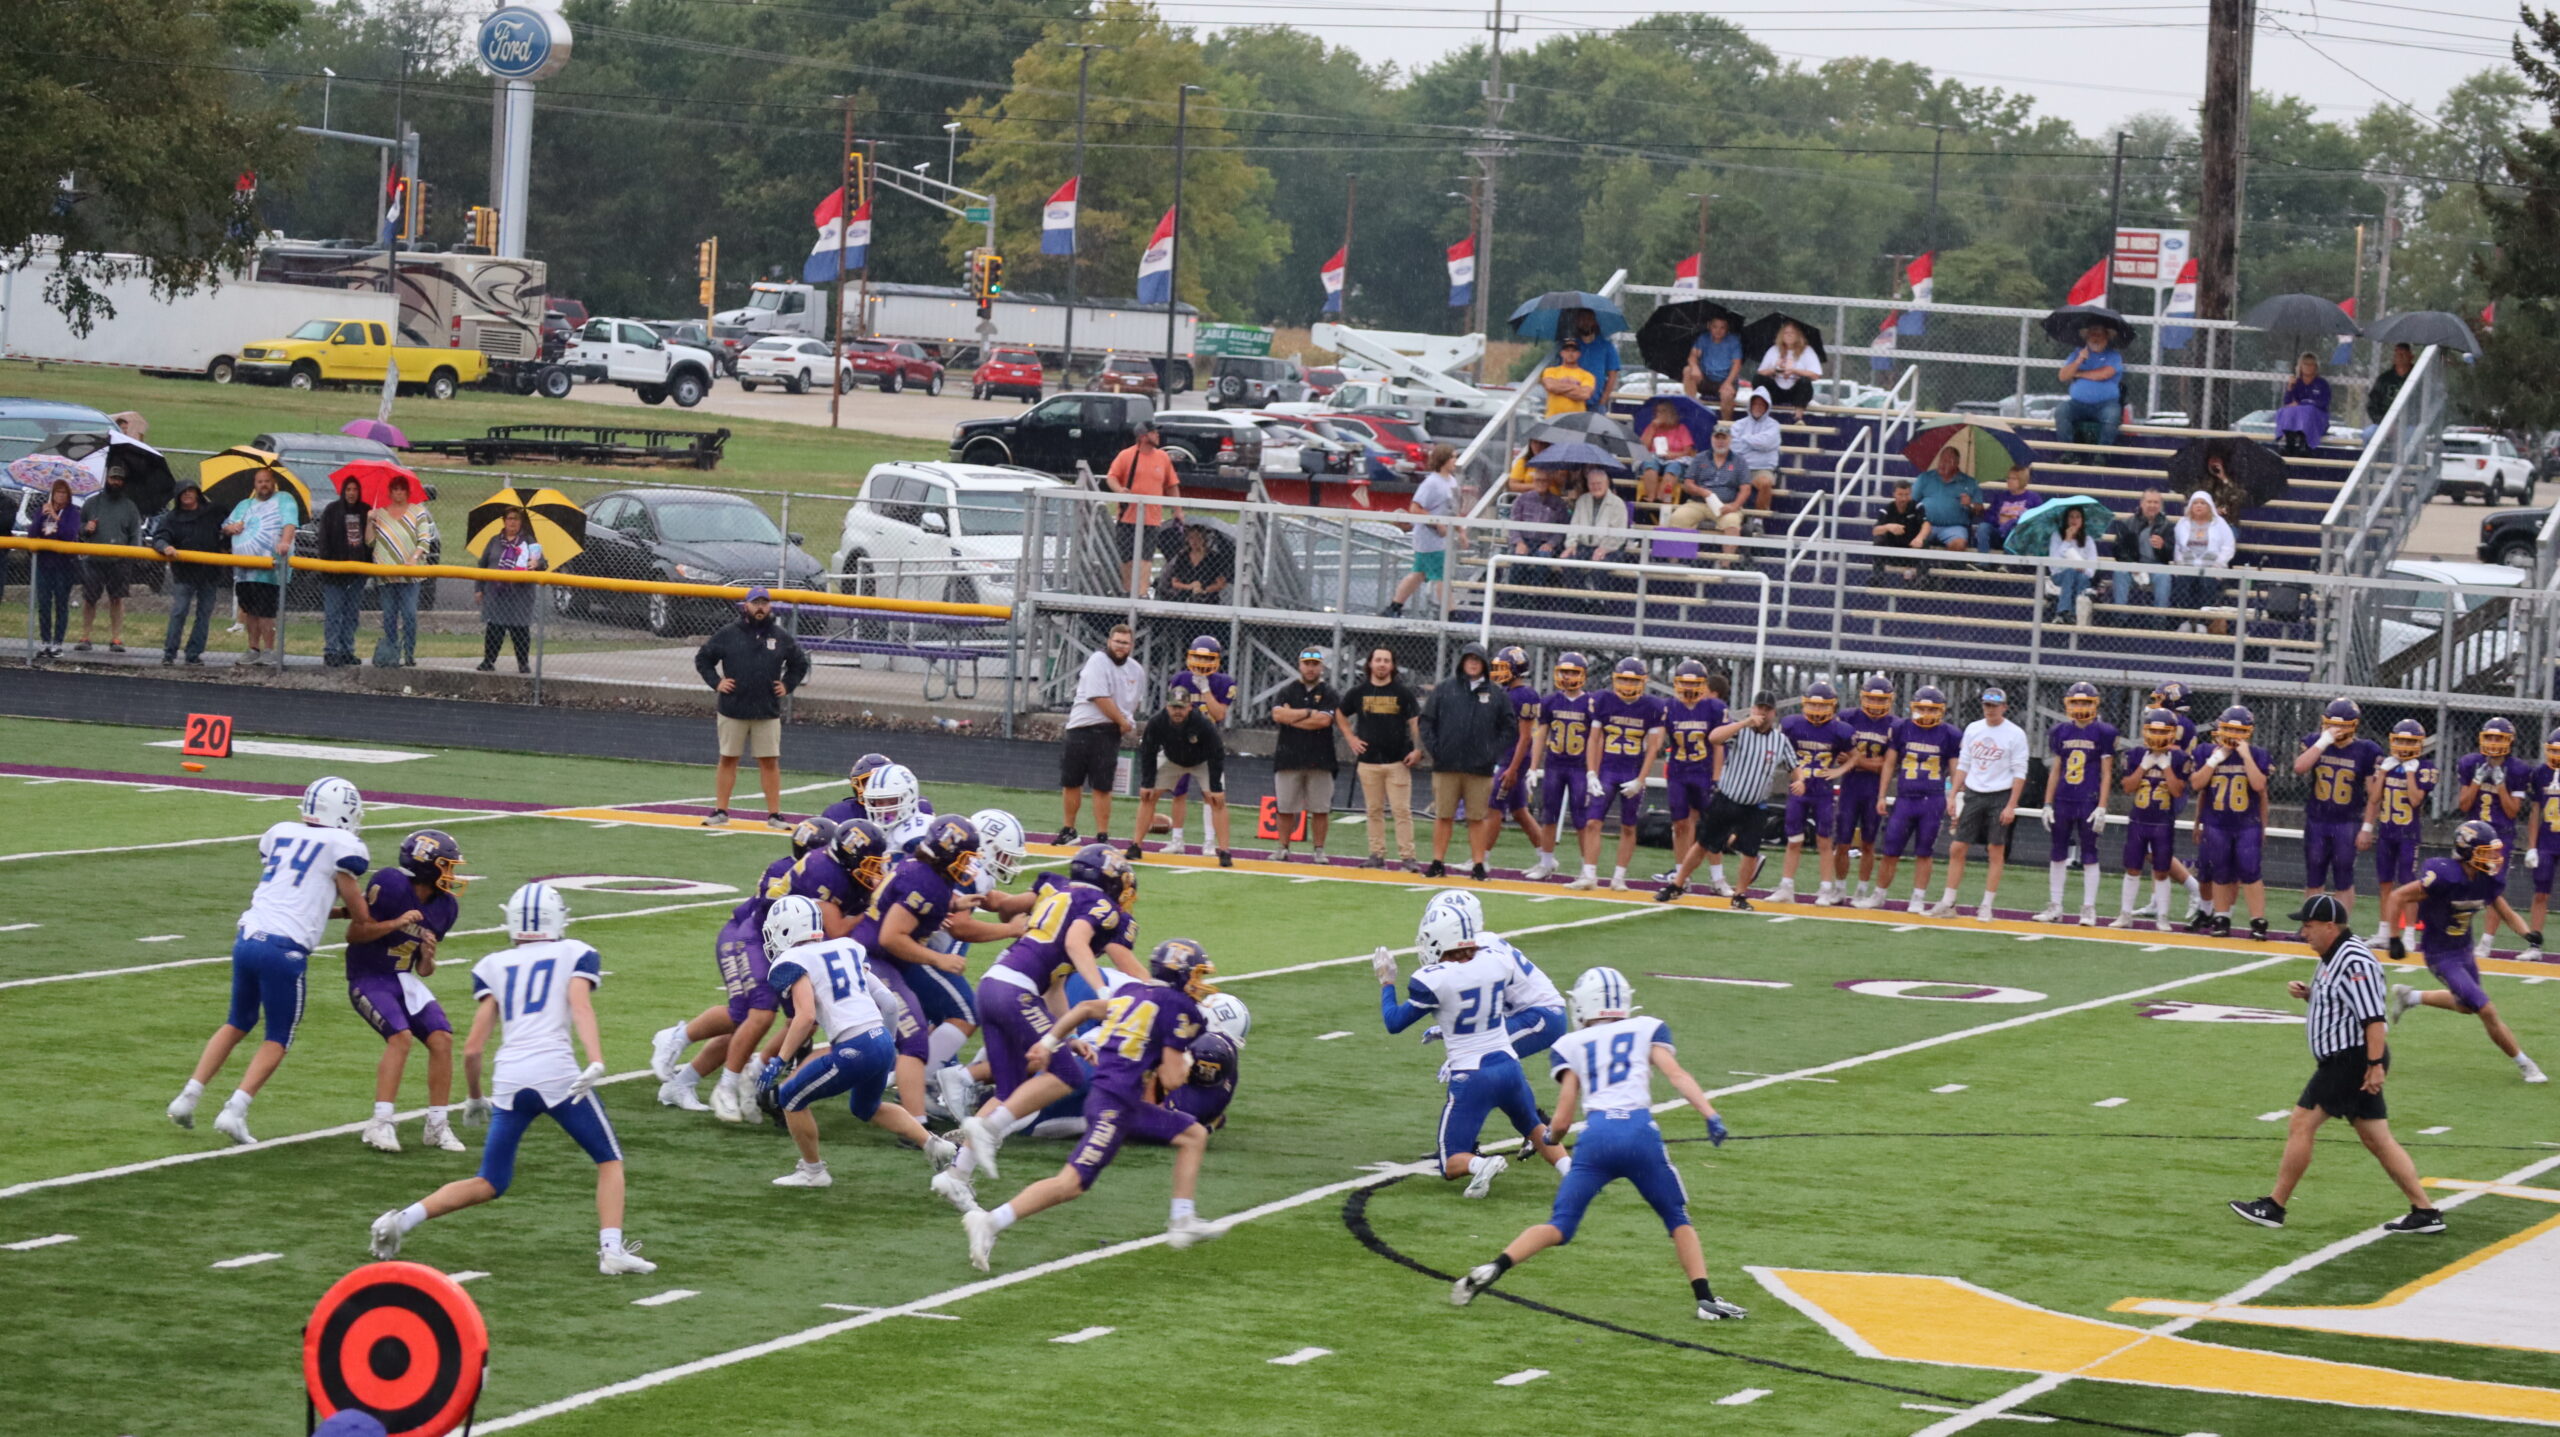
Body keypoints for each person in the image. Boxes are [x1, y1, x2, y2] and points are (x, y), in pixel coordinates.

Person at [366, 882, 658, 1276]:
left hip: (509, 1079)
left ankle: (401, 1220)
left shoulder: (496, 964)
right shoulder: (574, 952)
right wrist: (596, 1059)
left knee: (490, 1180)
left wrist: (474, 1096)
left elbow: (472, 1048)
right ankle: (611, 1250)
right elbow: (580, 1007)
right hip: (556, 1074)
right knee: (609, 1160)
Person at [1450, 966, 1747, 1322]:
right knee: (1677, 1218)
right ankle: (1704, 1298)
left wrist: (1551, 1138)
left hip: (1596, 1140)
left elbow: (1562, 1119)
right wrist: (1710, 1115)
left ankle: (1495, 1266)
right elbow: (1677, 1074)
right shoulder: (1646, 1027)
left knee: (1560, 1225)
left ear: (1584, 1005)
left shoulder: (1571, 1044)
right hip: (1639, 1135)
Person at [960, 938, 1230, 1270]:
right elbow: (1172, 1079)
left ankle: (1183, 1218)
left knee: (1193, 1135)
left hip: (1119, 1098)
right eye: (1197, 974)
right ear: (1182, 974)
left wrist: (1048, 1042)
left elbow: (1086, 1009)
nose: (1200, 982)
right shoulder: (1180, 1009)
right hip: (1113, 1104)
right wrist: (1184, 1061)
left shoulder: (1134, 991)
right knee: (1071, 1184)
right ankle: (989, 1221)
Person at [168, 778, 383, 1144]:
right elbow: (361, 916)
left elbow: (298, 899)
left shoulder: (281, 833)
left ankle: (187, 1097)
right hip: (285, 950)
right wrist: (376, 913)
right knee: (278, 1036)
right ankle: (235, 1111)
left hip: (248, 938)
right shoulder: (341, 846)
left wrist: (342, 911)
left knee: (237, 1021)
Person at [2226, 896, 2444, 1237]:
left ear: (2330, 926)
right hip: (2350, 1058)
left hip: (2350, 1059)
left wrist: (2374, 1064)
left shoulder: (2354, 959)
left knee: (2301, 1123)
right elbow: (2343, 1003)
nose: (2303, 933)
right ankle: (2425, 1210)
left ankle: (2274, 1205)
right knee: (2377, 1138)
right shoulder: (2334, 954)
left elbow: (2373, 1018)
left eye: (2308, 926)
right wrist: (2310, 995)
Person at [937, 846, 1141, 1209]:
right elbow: (1075, 942)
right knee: (1066, 1075)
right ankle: (980, 1117)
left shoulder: (1057, 892)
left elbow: (1055, 987)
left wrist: (1072, 1036)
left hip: (994, 986)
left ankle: (956, 1175)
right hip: (1015, 991)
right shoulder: (1100, 906)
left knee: (1010, 1092)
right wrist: (1104, 991)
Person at [650, 815, 850, 1113]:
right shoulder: (786, 871)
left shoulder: (833, 878)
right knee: (751, 1015)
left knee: (796, 1022)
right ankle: (679, 1039)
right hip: (749, 938)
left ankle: (687, 1082)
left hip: (785, 948)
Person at [760, 895, 960, 1191]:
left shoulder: (793, 961)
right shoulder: (847, 947)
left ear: (788, 929)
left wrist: (780, 1059)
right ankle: (933, 1144)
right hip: (880, 1039)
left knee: (790, 1097)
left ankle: (813, 1171)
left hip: (854, 1047)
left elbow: (805, 1017)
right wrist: (886, 1045)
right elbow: (888, 1003)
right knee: (866, 1107)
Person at [1374, 909, 1569, 1197]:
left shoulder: (1432, 979)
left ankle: (1480, 1165)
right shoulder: (1496, 961)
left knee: (1450, 1162)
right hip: (1509, 1067)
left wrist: (1387, 982)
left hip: (1472, 1075)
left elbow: (1394, 1022)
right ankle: (1570, 1170)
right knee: (1534, 1127)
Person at [2384, 820, 2546, 1084]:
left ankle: (2410, 996)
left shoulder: (2485, 880)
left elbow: (2505, 912)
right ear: (2468, 851)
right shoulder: (2444, 875)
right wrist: (2394, 937)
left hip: (2464, 950)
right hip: (2441, 955)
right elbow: (2397, 897)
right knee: (2486, 1010)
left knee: (2466, 1006)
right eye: (2486, 852)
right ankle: (2526, 1064)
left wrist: (2528, 934)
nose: (2493, 858)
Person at [347, 830, 471, 1155]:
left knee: (442, 1038)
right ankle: (380, 1122)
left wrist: (428, 957)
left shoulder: (445, 906)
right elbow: (355, 933)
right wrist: (395, 923)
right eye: (446, 865)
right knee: (400, 1037)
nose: (451, 873)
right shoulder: (391, 884)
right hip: (369, 976)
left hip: (402, 978)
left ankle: (437, 1125)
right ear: (426, 865)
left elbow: (423, 969)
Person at [1655, 691, 1796, 910]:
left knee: (1750, 852)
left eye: (1768, 709)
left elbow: (1794, 766)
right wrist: (1745, 722)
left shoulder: (1780, 741)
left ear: (1774, 713)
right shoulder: (1740, 731)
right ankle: (1677, 884)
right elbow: (1714, 738)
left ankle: (1739, 895)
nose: (1763, 713)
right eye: (1760, 708)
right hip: (1728, 798)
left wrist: (1800, 781)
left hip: (1756, 804)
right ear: (1753, 708)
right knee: (1704, 843)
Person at [691, 586, 809, 830]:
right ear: (746, 606)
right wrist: (716, 682)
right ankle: (721, 811)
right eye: (756, 603)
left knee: (769, 761)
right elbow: (703, 658)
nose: (760, 608)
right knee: (728, 758)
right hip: (733, 709)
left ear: (770, 606)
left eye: (764, 603)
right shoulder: (728, 634)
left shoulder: (779, 636)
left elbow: (799, 663)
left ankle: (774, 815)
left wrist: (787, 684)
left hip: (766, 711)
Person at [1423, 889, 1570, 1060]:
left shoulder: (1478, 947)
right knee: (1476, 1062)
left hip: (1540, 1016)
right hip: (1530, 1014)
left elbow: (1481, 1000)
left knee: (1472, 1058)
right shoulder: (1481, 942)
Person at [1421, 642, 1517, 882]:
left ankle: (1478, 865)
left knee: (1477, 818)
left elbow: (1509, 728)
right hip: (1447, 765)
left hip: (1479, 769)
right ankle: (1437, 862)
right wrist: (1437, 750)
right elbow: (1427, 721)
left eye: (1477, 659)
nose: (1473, 663)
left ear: (1484, 664)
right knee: (1444, 815)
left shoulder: (1496, 694)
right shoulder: (1445, 689)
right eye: (1469, 659)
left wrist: (1491, 753)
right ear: (1462, 662)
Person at [1940, 687, 2031, 921]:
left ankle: (1986, 905)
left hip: (2000, 794)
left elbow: (2020, 771)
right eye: (1987, 705)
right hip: (1974, 792)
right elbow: (1964, 763)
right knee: (1957, 846)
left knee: (1995, 849)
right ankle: (1948, 901)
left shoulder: (2015, 734)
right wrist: (1953, 795)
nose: (1990, 709)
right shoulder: (1973, 729)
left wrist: (2011, 805)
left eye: (1994, 705)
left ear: (2004, 707)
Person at [1579, 657, 1667, 891]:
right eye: (1624, 680)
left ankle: (1619, 877)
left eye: (1633, 680)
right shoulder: (1603, 700)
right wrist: (1591, 773)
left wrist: (1641, 779)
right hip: (1607, 770)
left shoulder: (1652, 706)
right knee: (1592, 822)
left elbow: (1654, 748)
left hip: (1632, 771)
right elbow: (1593, 739)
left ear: (1643, 681)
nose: (1628, 685)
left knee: (1628, 826)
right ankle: (1589, 874)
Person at [2292, 699, 2382, 924]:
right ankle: (2311, 925)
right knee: (2314, 875)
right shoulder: (2315, 741)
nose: (2335, 729)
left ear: (2353, 726)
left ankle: (2340, 927)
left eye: (2341, 726)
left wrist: (2367, 827)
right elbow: (2299, 767)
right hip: (2317, 819)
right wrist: (2323, 742)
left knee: (2344, 876)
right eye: (2331, 724)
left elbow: (2374, 794)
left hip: (2347, 822)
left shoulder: (2367, 750)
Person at [2033, 682, 2116, 925]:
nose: (2080, 706)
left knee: (2089, 852)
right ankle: (2055, 905)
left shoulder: (2104, 732)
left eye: (2085, 702)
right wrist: (2047, 803)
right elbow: (2056, 769)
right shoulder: (2060, 731)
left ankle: (2088, 908)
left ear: (2095, 704)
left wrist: (2102, 805)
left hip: (2088, 799)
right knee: (2058, 851)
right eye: (2076, 702)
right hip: (2063, 798)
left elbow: (2107, 773)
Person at [2188, 706, 2273, 940]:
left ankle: (2257, 920)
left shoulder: (2257, 754)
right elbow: (2197, 785)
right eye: (2229, 729)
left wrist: (2246, 757)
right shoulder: (2206, 752)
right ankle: (2221, 917)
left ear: (2249, 732)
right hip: (2217, 822)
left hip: (2247, 823)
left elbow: (2259, 786)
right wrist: (2216, 759)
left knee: (2250, 870)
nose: (2233, 735)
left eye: (2239, 731)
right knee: (2220, 871)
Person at [1127, 676, 1230, 866]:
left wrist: (1216, 787)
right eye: (1174, 707)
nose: (1177, 711)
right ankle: (1135, 845)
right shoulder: (1157, 722)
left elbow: (1216, 753)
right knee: (1148, 796)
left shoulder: (1202, 723)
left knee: (1217, 800)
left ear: (1189, 707)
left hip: (1202, 761)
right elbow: (1148, 751)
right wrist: (1147, 783)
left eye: (1181, 708)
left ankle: (1224, 851)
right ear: (1167, 706)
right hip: (1172, 759)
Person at [1339, 645, 1423, 870]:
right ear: (1370, 663)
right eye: (1378, 660)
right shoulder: (1358, 692)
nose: (1382, 664)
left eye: (1386, 660)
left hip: (1397, 761)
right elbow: (1339, 713)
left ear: (1393, 665)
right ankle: (1376, 855)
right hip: (1368, 762)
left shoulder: (1403, 693)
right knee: (1373, 810)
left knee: (1402, 811)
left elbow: (1415, 722)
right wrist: (1351, 738)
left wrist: (1418, 749)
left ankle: (1408, 857)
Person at [1057, 624, 1141, 846]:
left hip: (1108, 732)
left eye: (1125, 643)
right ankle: (1069, 829)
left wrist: (1124, 722)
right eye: (1117, 641)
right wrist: (1122, 721)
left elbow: (1134, 701)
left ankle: (1102, 834)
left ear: (1132, 646)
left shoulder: (1136, 671)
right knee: (1072, 781)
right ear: (1109, 641)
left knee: (1103, 786)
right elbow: (1099, 697)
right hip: (1081, 728)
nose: (1121, 646)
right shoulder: (1098, 661)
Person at [1872, 686, 1955, 912]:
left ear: (1941, 710)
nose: (1926, 714)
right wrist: (1882, 795)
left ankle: (1918, 898)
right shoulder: (1901, 728)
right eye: (1922, 709)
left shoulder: (1949, 734)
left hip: (1932, 799)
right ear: (1913, 708)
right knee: (1890, 850)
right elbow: (1889, 764)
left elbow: (1956, 770)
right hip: (1905, 798)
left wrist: (1954, 797)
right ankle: (1879, 895)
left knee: (1924, 852)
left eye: (1932, 710)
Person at [2110, 708, 2194, 929]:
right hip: (2138, 821)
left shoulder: (2180, 758)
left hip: (2163, 823)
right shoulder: (2136, 754)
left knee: (2162, 871)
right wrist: (2143, 767)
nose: (2157, 736)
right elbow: (2128, 787)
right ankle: (2125, 914)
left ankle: (2163, 917)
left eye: (2163, 731)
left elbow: (2177, 791)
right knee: (2132, 869)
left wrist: (2166, 767)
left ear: (2172, 733)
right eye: (2153, 731)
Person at [2455, 717, 2530, 957]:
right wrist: (2477, 781)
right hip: (2472, 833)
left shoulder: (2518, 769)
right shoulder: (2470, 763)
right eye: (2490, 737)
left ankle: (2486, 943)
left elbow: (2512, 811)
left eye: (2499, 738)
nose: (2494, 742)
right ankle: (2456, 935)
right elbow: (2464, 804)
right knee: (2460, 884)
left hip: (2499, 837)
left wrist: (2500, 784)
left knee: (2493, 890)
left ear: (2510, 741)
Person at [1772, 683, 1853, 906]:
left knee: (1824, 841)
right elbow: (1784, 755)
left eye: (1822, 705)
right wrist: (1795, 777)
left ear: (1832, 706)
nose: (1817, 710)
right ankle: (1786, 887)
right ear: (1804, 704)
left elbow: (1855, 755)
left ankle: (1825, 889)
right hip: (1799, 790)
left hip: (1823, 792)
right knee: (1793, 840)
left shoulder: (1840, 730)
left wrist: (1840, 770)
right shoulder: (1792, 725)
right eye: (1813, 705)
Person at [1527, 653, 1599, 882]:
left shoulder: (1591, 704)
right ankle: (1546, 863)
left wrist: (1594, 771)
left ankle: (1586, 868)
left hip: (1580, 767)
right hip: (1555, 765)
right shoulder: (1549, 701)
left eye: (1573, 672)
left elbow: (1597, 739)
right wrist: (1533, 767)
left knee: (1581, 819)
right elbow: (1541, 735)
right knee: (1549, 814)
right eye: (1564, 672)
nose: (1568, 676)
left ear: (1583, 675)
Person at [2368, 720, 2439, 947]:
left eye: (2409, 742)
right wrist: (2383, 772)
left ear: (2419, 744)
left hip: (2408, 835)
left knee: (2408, 884)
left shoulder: (2424, 767)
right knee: (2385, 883)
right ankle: (2384, 931)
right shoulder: (2385, 764)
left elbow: (2416, 800)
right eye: (2400, 741)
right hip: (2386, 832)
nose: (2404, 746)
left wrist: (2409, 774)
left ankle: (2408, 933)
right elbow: (2374, 798)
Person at [1268, 646, 1341, 862]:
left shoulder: (1329, 693)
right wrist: (1308, 713)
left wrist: (1292, 717)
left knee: (1320, 808)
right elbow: (1278, 716)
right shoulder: (1287, 690)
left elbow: (1324, 721)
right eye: (1307, 664)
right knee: (1285, 807)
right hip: (1289, 756)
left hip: (1320, 758)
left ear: (1321, 667)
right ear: (1300, 665)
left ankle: (1319, 850)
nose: (1310, 668)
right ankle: (1283, 847)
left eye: (1314, 664)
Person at [222, 467, 298, 664]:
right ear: (254, 485)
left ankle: (269, 650)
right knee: (250, 611)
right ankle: (253, 648)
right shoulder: (244, 505)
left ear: (273, 483)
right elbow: (225, 526)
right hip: (244, 570)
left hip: (269, 569)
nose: (264, 485)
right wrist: (232, 527)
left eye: (267, 481)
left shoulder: (284, 499)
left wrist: (285, 542)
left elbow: (290, 523)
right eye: (260, 481)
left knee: (266, 612)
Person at [1484, 647, 1550, 867]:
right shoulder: (1507, 692)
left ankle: (1481, 858)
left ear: (1517, 669)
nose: (1498, 672)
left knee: (1494, 807)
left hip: (1514, 759)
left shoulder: (1525, 695)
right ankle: (1547, 858)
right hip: (1507, 756)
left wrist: (1513, 768)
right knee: (1519, 811)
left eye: (1503, 668)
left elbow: (1525, 737)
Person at [1836, 676, 1898, 908]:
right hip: (1850, 786)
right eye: (1872, 698)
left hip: (1874, 788)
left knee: (1868, 843)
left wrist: (1855, 760)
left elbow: (1886, 765)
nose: (1876, 703)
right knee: (1842, 842)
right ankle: (1839, 889)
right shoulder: (1848, 718)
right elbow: (1838, 755)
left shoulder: (1894, 725)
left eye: (1881, 699)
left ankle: (1861, 890)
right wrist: (1867, 763)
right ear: (1862, 697)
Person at [155, 480, 228, 666]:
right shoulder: (171, 518)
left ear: (197, 493)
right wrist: (165, 546)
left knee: (204, 615)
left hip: (210, 573)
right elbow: (159, 537)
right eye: (183, 491)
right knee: (179, 612)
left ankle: (193, 654)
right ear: (178, 496)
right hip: (184, 573)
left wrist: (227, 539)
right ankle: (169, 654)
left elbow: (229, 527)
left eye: (191, 491)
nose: (187, 494)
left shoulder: (213, 512)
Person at [1103, 421, 1180, 597]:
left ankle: (1142, 594)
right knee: (1127, 558)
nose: (1158, 435)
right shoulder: (1126, 455)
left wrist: (1178, 510)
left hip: (1151, 519)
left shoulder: (1163, 457)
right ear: (1143, 436)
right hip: (1127, 517)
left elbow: (1172, 485)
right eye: (1154, 432)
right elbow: (1111, 477)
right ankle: (1128, 592)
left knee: (1146, 557)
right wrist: (1120, 490)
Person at [1383, 444, 1459, 618]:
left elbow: (1452, 510)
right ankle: (1451, 613)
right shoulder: (1432, 483)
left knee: (1419, 573)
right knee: (1442, 575)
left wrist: (1460, 530)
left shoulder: (1452, 481)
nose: (1455, 461)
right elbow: (1415, 507)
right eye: (1453, 457)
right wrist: (1437, 523)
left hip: (1441, 538)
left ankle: (1394, 607)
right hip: (1429, 538)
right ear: (1443, 459)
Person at [367, 474, 434, 667]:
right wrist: (369, 521)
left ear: (407, 492)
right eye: (395, 489)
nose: (398, 493)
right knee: (389, 615)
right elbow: (370, 542)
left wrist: (414, 558)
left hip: (410, 576)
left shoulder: (418, 512)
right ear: (390, 492)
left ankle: (409, 653)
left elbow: (424, 540)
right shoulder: (380, 513)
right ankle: (391, 652)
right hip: (386, 575)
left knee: (409, 614)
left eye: (402, 489)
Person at [75, 467, 141, 654]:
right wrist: (86, 528)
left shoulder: (130, 507)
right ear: (107, 479)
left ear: (123, 482)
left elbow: (135, 534)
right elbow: (78, 529)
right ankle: (85, 636)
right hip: (93, 560)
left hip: (120, 561)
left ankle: (116, 638)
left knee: (116, 599)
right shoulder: (92, 503)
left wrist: (133, 555)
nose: (116, 482)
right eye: (113, 478)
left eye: (119, 479)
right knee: (89, 599)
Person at [473, 506, 543, 672]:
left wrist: (536, 563)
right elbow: (482, 565)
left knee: (520, 630)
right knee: (494, 629)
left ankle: (523, 663)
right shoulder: (494, 541)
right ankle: (488, 661)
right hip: (496, 594)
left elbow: (543, 564)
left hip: (520, 596)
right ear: (504, 521)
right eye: (510, 518)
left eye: (516, 519)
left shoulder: (529, 542)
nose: (513, 522)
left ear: (521, 522)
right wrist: (479, 588)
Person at [313, 472, 372, 667]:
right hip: (334, 574)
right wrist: (328, 564)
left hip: (357, 574)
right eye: (348, 489)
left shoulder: (366, 511)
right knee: (333, 614)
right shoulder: (332, 510)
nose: (352, 493)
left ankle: (347, 651)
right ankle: (331, 651)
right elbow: (323, 540)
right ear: (343, 491)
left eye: (355, 489)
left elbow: (370, 543)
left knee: (351, 615)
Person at [1666, 427, 1751, 552]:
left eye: (1724, 438)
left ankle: (1726, 562)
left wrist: (1734, 506)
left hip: (1726, 505)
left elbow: (1746, 488)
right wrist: (1701, 491)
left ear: (1730, 440)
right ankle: (1676, 561)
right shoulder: (1700, 458)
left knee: (1732, 524)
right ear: (1712, 439)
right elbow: (1688, 483)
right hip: (1698, 503)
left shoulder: (1739, 461)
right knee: (1677, 518)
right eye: (1717, 437)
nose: (1720, 441)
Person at [2103, 488, 2176, 622]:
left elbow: (2171, 555)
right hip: (2133, 566)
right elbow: (2118, 550)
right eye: (2149, 502)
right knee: (2120, 572)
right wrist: (2131, 564)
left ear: (2160, 505)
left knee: (2164, 577)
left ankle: (2159, 621)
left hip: (2156, 567)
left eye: (2156, 502)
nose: (2152, 505)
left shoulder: (2168, 526)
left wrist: (2163, 546)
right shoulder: (2127, 523)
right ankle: (2120, 618)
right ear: (2141, 503)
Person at [28, 477, 81, 659]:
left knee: (61, 604)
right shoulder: (43, 510)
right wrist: (42, 516)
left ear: (68, 495)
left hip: (64, 565)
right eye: (57, 492)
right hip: (44, 563)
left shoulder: (72, 512)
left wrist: (57, 517)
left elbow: (69, 534)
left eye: (63, 492)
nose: (60, 495)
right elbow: (32, 534)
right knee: (44, 603)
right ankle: (45, 641)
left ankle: (58, 643)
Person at [2053, 320, 2124, 451]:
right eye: (2092, 335)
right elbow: (2063, 376)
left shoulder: (2114, 356)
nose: (2095, 338)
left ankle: (2101, 454)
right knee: (2061, 411)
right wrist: (2079, 360)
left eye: (2099, 335)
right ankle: (2069, 452)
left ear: (2106, 337)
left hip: (2106, 404)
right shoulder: (2076, 354)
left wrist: (2078, 374)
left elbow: (2104, 374)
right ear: (2086, 337)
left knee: (2112, 417)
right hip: (2077, 404)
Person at [2169, 490, 2235, 630]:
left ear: (2209, 506)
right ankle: (2186, 621)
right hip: (2187, 566)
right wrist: (2181, 564)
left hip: (2212, 567)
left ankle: (2201, 623)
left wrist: (2218, 564)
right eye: (2196, 503)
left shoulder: (2220, 523)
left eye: (2203, 503)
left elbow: (2228, 547)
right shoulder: (2182, 523)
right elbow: (2178, 547)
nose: (2199, 506)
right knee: (2183, 584)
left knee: (2207, 584)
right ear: (2191, 506)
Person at [2524, 730, 2560, 963]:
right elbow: (2535, 811)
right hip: (2547, 841)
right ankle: (2534, 944)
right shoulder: (2540, 773)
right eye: (2554, 751)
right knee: (2540, 894)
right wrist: (2531, 846)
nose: (2556, 756)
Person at [1725, 391, 1783, 533]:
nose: (1758, 407)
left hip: (1762, 468)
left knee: (1766, 483)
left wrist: (1745, 439)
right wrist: (1756, 444)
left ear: (1767, 407)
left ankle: (1758, 520)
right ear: (1750, 406)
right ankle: (1727, 516)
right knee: (1718, 479)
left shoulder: (1773, 425)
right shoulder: (1739, 424)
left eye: (1762, 404)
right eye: (1755, 404)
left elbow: (1766, 443)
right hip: (1739, 467)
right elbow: (1733, 446)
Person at [1912, 446, 1984, 552]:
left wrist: (1970, 504)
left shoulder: (1970, 483)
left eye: (1948, 461)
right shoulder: (1925, 478)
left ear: (1956, 464)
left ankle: (1945, 562)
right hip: (1925, 525)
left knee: (1958, 544)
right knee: (1914, 540)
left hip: (1954, 528)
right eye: (1941, 460)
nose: (1942, 464)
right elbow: (1911, 502)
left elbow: (1980, 511)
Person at [1563, 465, 1632, 571]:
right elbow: (1574, 526)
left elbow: (1618, 535)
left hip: (1610, 549)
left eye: (1599, 483)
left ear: (1607, 484)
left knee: (1599, 567)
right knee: (1567, 562)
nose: (1595, 486)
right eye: (1592, 484)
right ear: (1588, 485)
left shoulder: (1617, 504)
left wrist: (1604, 549)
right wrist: (1571, 545)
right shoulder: (1582, 500)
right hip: (1583, 546)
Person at [1632, 402, 1697, 503]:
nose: (1659, 414)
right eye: (1657, 411)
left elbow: (1688, 451)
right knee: (1650, 464)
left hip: (1675, 459)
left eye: (1663, 411)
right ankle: (1651, 497)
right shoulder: (1652, 426)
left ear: (1671, 414)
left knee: (1673, 468)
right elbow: (1642, 448)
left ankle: (1661, 498)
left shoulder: (1681, 428)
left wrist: (1673, 455)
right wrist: (1653, 427)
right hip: (1655, 457)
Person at [1753, 320, 1822, 415]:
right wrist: (1774, 370)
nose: (1789, 335)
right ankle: (1760, 411)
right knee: (1758, 379)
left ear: (1798, 335)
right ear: (1781, 335)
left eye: (1792, 333)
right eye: (1786, 333)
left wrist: (1794, 371)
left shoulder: (1807, 351)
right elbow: (1760, 373)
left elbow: (1816, 375)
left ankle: (1798, 416)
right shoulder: (1774, 350)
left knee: (1805, 382)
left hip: (1795, 392)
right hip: (1776, 391)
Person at [1683, 313, 1744, 418]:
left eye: (1722, 328)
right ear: (1709, 326)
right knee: (1688, 370)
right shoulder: (1703, 338)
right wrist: (1694, 367)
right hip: (1706, 379)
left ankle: (1725, 424)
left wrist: (1728, 383)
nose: (1718, 331)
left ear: (1727, 329)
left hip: (1725, 380)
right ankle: (1691, 408)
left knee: (1727, 394)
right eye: (1715, 327)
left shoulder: (1734, 341)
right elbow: (1692, 356)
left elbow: (1737, 365)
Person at [2047, 504, 2098, 625]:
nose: (2074, 520)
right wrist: (2067, 540)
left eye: (2078, 517)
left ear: (2082, 520)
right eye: (2071, 517)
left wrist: (2083, 569)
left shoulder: (2088, 540)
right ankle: (2064, 612)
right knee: (2070, 572)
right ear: (2066, 519)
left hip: (2081, 576)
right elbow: (2054, 565)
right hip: (2060, 576)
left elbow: (2092, 569)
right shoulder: (2057, 536)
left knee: (2080, 577)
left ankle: (2072, 615)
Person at [2275, 352, 2334, 455]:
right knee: (2286, 411)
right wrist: (2289, 388)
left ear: (2316, 367)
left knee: (2308, 410)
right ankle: (2289, 445)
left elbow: (2323, 403)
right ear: (2300, 366)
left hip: (2317, 418)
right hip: (2297, 419)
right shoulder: (2296, 382)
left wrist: (2302, 403)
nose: (2308, 367)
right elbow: (2288, 403)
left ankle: (2305, 445)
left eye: (2311, 364)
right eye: (2305, 364)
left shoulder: (2322, 384)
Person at [1160, 521, 1231, 605]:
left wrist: (1204, 590)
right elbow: (1175, 582)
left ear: (1204, 539)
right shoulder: (1183, 556)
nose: (1194, 541)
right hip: (1184, 597)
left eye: (1198, 537)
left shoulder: (1214, 557)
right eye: (1191, 538)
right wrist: (1190, 586)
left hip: (1208, 598)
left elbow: (1221, 584)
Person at [1565, 307, 1623, 407]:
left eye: (1589, 319)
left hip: (1596, 403)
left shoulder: (1606, 346)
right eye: (1582, 319)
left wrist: (1603, 399)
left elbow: (1612, 374)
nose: (1585, 323)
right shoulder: (1571, 346)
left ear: (1595, 322)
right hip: (1572, 402)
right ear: (1576, 322)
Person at [1982, 463, 2044, 554]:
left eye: (2013, 479)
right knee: (1983, 527)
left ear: (2022, 480)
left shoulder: (2033, 498)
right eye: (2008, 478)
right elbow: (1988, 515)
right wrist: (1998, 519)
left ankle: (2009, 560)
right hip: (1999, 533)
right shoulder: (2001, 497)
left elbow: (2038, 520)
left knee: (2013, 527)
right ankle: (1983, 559)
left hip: (2019, 536)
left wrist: (2013, 521)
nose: (2009, 481)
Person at [1538, 337, 1597, 416]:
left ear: (1579, 354)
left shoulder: (1588, 375)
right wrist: (1576, 388)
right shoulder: (1550, 371)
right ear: (1562, 353)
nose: (1570, 354)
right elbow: (1551, 386)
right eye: (1567, 351)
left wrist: (1558, 389)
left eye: (1573, 351)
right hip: (1552, 417)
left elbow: (1585, 394)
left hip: (1576, 418)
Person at [2365, 342, 2416, 432]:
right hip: (2385, 424)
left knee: (2411, 434)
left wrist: (2408, 423)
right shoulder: (2384, 379)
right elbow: (2372, 405)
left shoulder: (2419, 376)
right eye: (2397, 354)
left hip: (2409, 425)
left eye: (2403, 354)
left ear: (2411, 357)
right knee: (2368, 433)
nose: (2400, 357)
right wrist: (2383, 423)